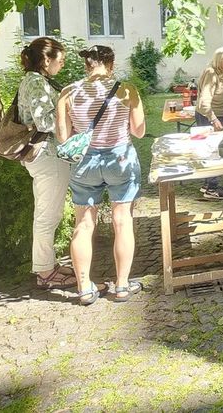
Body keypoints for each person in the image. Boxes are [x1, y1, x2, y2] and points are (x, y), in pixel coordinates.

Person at [56, 46, 146, 305]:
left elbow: (63, 137)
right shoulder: (126, 89)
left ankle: (84, 288)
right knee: (122, 221)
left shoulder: (68, 92)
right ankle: (121, 285)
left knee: (83, 225)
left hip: (85, 162)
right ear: (111, 63)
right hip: (120, 159)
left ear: (87, 65)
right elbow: (138, 131)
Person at [16, 38, 76, 289]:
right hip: (47, 156)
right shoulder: (37, 82)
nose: (62, 65)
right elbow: (45, 122)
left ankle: (47, 265)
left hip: (46, 155)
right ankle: (45, 272)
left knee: (48, 213)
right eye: (59, 61)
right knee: (47, 215)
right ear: (46, 60)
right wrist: (70, 115)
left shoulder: (35, 80)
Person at [195, 47, 223, 200]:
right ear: (219, 61)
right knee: (213, 151)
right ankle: (211, 188)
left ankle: (208, 183)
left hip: (219, 115)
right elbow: (204, 102)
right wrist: (214, 119)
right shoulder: (211, 73)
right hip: (208, 116)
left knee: (216, 149)